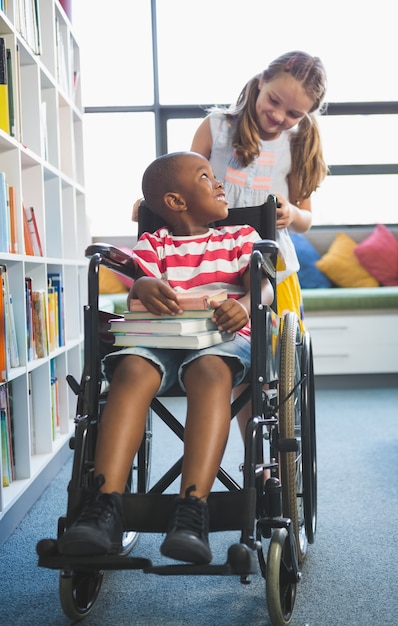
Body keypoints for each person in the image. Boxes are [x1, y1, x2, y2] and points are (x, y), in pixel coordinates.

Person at [57, 151, 274, 565]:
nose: (219, 184)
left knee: (211, 371)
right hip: (158, 343)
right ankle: (104, 507)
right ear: (176, 202)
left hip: (223, 341)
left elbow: (262, 287)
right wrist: (142, 285)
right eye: (207, 177)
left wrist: (245, 303)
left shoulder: (241, 236)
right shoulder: (153, 245)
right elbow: (137, 286)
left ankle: (191, 511)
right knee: (129, 368)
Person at [190, 50, 327, 438]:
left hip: (273, 270)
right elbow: (178, 182)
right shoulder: (217, 128)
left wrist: (290, 214)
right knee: (234, 364)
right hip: (215, 264)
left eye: (294, 114)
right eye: (274, 102)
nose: (280, 117)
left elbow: (306, 217)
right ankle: (246, 449)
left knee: (272, 372)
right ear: (260, 83)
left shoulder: (297, 141)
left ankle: (267, 459)